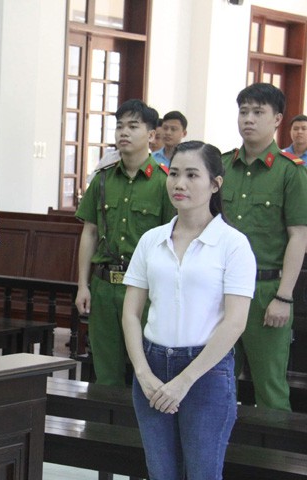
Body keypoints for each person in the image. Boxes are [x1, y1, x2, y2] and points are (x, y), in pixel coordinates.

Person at [123, 141, 256, 479]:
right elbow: (131, 313)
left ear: (215, 184)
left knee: (202, 474)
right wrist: (143, 373)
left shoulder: (233, 244)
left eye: (192, 175)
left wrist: (184, 381)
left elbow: (235, 321)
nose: (179, 183)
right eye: (174, 173)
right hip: (151, 368)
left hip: (206, 373)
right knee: (160, 473)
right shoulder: (152, 240)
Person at [75, 99, 175, 386]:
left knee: (147, 368)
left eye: (133, 126)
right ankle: (104, 431)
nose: (124, 133)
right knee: (106, 370)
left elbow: (172, 240)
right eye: (119, 126)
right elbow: (89, 233)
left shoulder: (164, 183)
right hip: (104, 286)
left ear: (152, 135)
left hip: (145, 287)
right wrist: (83, 285)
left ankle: (139, 431)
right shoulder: (103, 180)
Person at [222, 83, 307, 410]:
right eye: (244, 111)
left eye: (258, 112)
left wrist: (284, 297)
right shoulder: (222, 166)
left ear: (277, 120)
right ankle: (220, 456)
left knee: (269, 387)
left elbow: (299, 236)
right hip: (224, 290)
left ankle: (273, 459)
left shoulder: (290, 173)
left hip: (266, 292)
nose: (248, 119)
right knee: (217, 380)